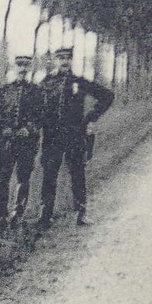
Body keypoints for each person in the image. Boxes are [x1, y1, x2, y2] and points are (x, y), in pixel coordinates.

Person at [38, 45, 115, 229]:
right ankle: (44, 217)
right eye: (61, 58)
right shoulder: (46, 82)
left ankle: (81, 214)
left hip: (74, 135)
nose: (64, 61)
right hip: (52, 137)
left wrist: (90, 118)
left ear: (71, 60)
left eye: (67, 58)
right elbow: (37, 106)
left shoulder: (79, 81)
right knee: (49, 174)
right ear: (55, 61)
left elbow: (107, 96)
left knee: (77, 174)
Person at [0, 53, 46, 229]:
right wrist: (4, 128)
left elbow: (41, 116)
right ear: (15, 67)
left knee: (23, 178)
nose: (22, 69)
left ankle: (18, 214)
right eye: (20, 65)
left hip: (27, 143)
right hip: (7, 141)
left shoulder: (37, 91)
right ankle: (1, 215)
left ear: (30, 68)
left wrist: (28, 129)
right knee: (2, 177)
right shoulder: (4, 89)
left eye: (26, 66)